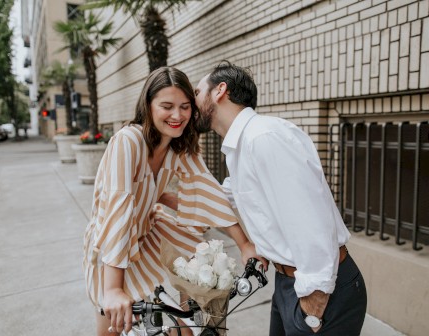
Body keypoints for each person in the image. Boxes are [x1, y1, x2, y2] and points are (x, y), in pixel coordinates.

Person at [83, 66, 265, 336]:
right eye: (167, 106)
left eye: (185, 106)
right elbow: (117, 209)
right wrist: (112, 289)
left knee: (197, 258)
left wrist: (245, 244)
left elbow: (206, 189)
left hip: (146, 233)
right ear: (148, 105)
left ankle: (188, 322)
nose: (177, 115)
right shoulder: (128, 141)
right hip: (112, 248)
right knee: (112, 327)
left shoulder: (180, 144)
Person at [194, 61, 367, 336]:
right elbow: (223, 198)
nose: (191, 102)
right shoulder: (239, 147)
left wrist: (314, 299)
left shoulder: (264, 138)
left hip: (319, 288)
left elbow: (310, 218)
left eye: (196, 91)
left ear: (220, 91)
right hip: (288, 283)